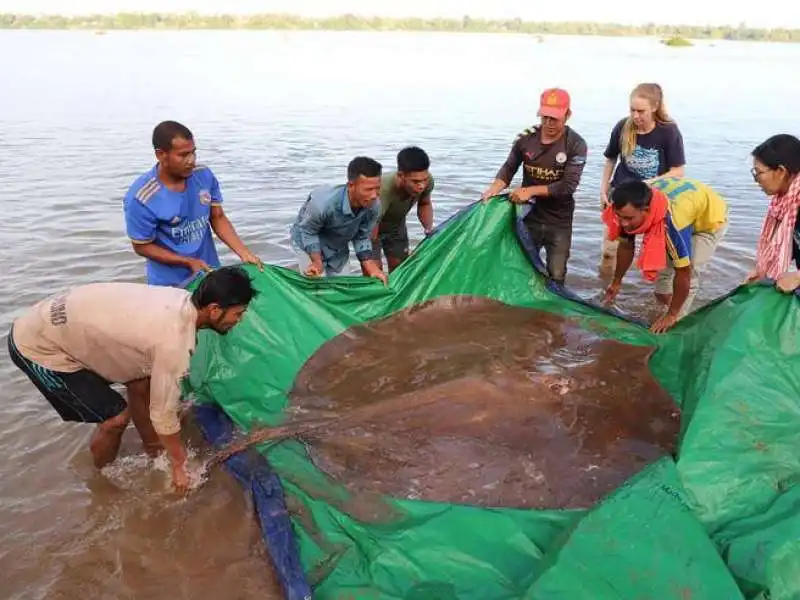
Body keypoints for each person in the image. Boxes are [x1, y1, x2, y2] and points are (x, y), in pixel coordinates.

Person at [7, 266, 257, 492]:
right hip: (38, 346)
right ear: (214, 310)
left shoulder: (177, 299)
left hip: (56, 319)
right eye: (238, 314)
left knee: (142, 381)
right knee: (115, 419)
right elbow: (163, 414)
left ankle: (153, 449)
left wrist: (164, 449)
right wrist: (180, 464)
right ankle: (101, 479)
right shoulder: (174, 343)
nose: (240, 320)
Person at [123, 120, 262, 287]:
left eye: (193, 152)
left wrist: (243, 252)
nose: (191, 161)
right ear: (161, 155)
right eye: (183, 155)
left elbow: (217, 217)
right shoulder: (142, 197)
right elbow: (142, 246)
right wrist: (187, 262)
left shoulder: (203, 175)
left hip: (209, 272)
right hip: (169, 284)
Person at [481, 88, 588, 285]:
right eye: (544, 117)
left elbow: (568, 186)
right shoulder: (525, 138)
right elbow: (509, 166)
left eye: (554, 118)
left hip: (559, 221)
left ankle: (553, 310)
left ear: (568, 115)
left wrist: (530, 190)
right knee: (520, 269)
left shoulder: (576, 144)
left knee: (556, 274)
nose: (548, 123)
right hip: (529, 216)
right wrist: (494, 188)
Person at [602, 178, 728, 333]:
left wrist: (672, 315)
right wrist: (616, 282)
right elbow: (626, 246)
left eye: (629, 219)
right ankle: (666, 307)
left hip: (708, 223)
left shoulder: (673, 224)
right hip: (688, 206)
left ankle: (678, 320)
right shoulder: (625, 212)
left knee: (689, 267)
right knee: (662, 285)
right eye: (620, 217)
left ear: (646, 210)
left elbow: (684, 272)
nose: (624, 224)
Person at [599, 83, 686, 269]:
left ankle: (656, 289)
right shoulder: (623, 127)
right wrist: (603, 189)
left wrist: (648, 183)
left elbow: (678, 171)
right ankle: (609, 287)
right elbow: (610, 159)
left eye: (641, 111)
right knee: (610, 251)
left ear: (654, 107)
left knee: (656, 252)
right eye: (632, 110)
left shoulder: (668, 131)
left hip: (651, 199)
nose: (635, 116)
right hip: (621, 195)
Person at [290, 156, 387, 284]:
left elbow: (362, 236)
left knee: (342, 286)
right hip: (307, 239)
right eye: (368, 189)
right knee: (317, 287)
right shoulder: (322, 205)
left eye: (377, 188)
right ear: (351, 186)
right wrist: (317, 262)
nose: (374, 195)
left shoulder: (374, 206)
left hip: (338, 245)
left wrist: (371, 267)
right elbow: (308, 232)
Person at [747, 134, 800, 294]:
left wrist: (798, 277)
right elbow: (786, 243)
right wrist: (761, 271)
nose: (756, 180)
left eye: (759, 173)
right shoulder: (785, 203)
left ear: (781, 171)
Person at [372, 146, 435, 272]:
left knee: (400, 269)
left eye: (424, 179)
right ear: (401, 176)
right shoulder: (383, 190)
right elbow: (372, 225)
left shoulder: (428, 182)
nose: (421, 186)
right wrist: (372, 261)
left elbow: (424, 204)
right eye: (416, 182)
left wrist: (428, 229)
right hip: (370, 227)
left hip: (396, 224)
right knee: (374, 273)